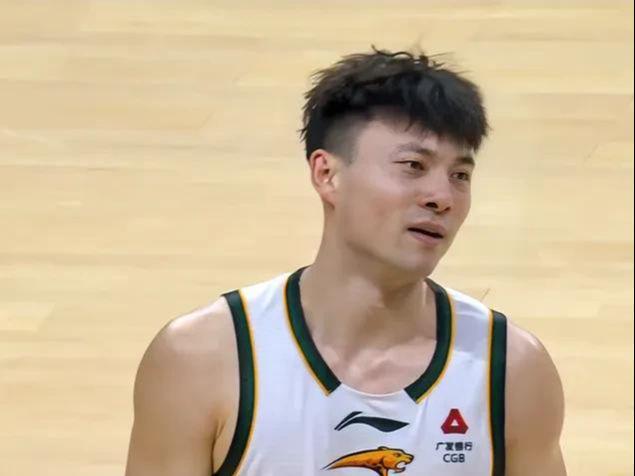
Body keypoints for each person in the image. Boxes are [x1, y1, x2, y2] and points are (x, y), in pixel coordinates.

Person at [125, 47, 566, 476]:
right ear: (327, 174)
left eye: (460, 175)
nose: (442, 197)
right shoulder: (203, 358)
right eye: (413, 165)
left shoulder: (511, 369)